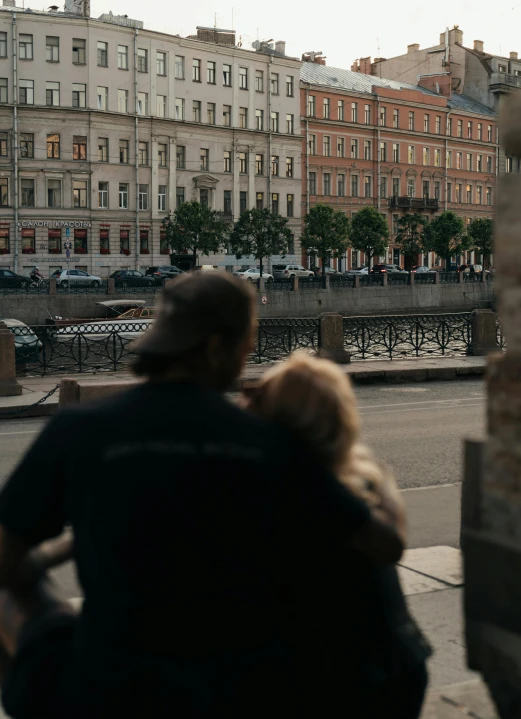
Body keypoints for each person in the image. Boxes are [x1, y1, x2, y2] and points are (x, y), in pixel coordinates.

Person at [0, 271, 404, 719]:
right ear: (216, 348)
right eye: (246, 346)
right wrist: (381, 484)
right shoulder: (270, 445)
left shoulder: (77, 430)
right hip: (240, 689)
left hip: (105, 687)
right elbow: (383, 543)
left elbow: (6, 553)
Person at [244, 353, 431, 719]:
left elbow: (388, 542)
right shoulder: (354, 479)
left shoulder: (302, 485)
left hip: (349, 680)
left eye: (258, 393)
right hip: (390, 666)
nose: (246, 401)